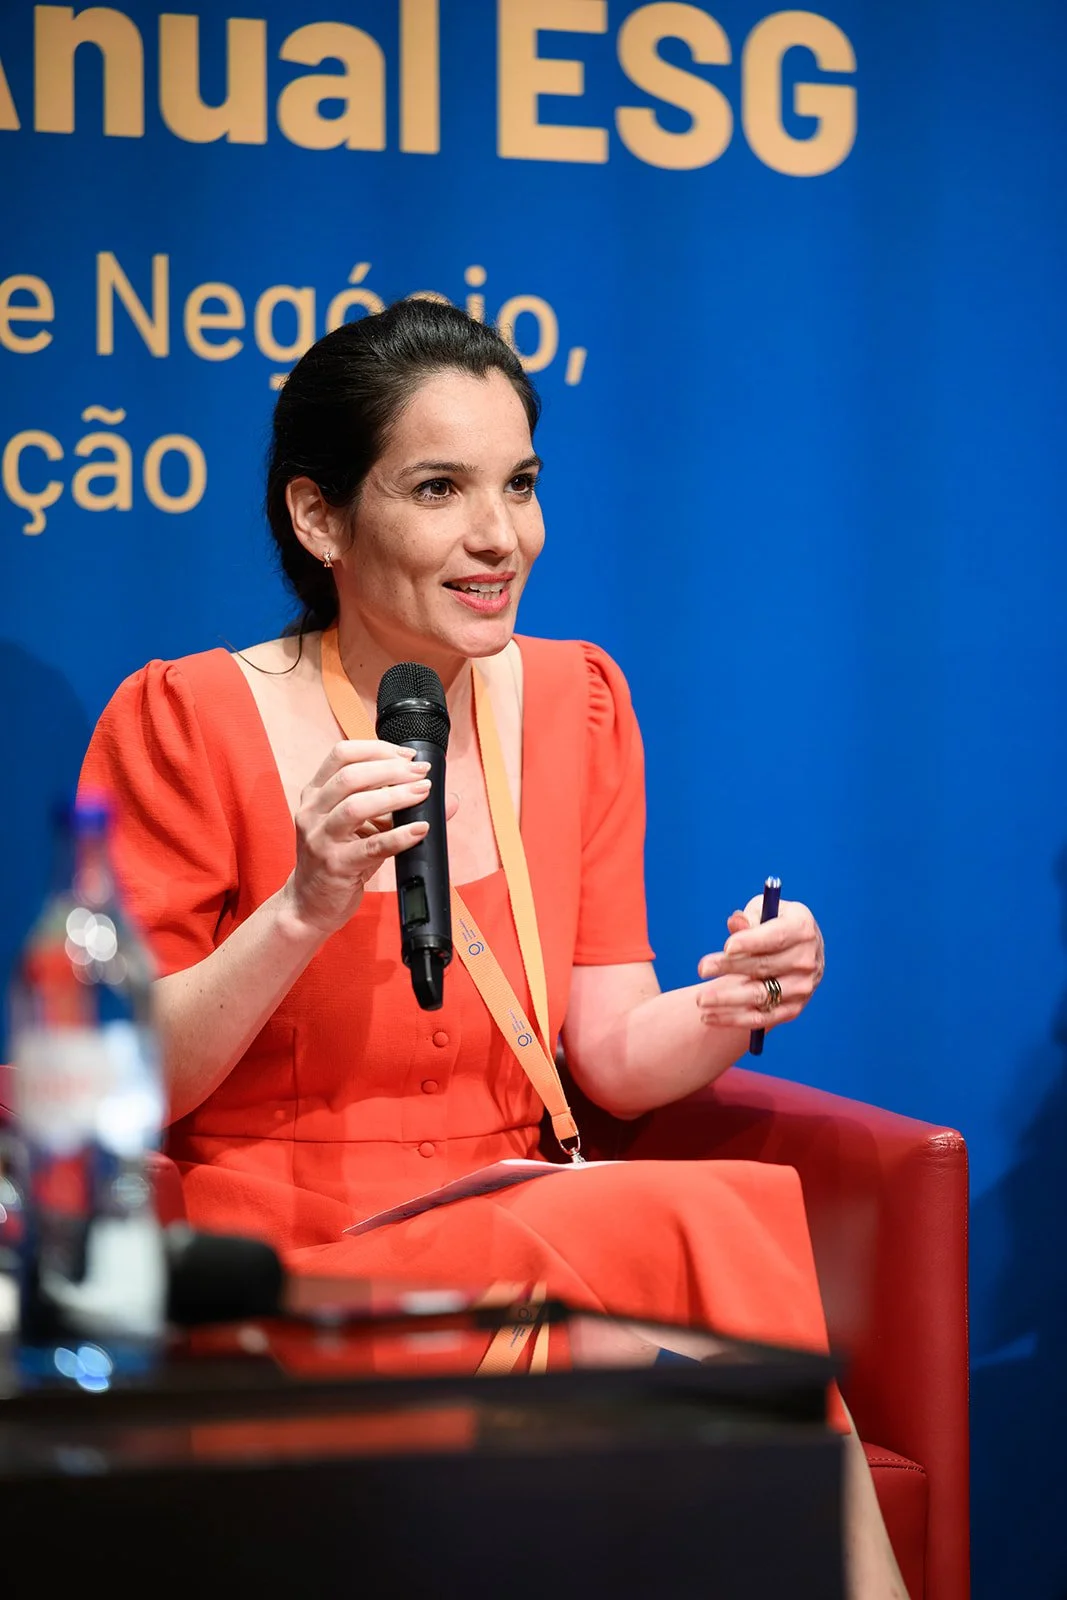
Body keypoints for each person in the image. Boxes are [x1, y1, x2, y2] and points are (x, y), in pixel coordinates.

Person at [80, 299, 905, 1597]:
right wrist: (301, 905)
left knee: (696, 1247)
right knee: (701, 1244)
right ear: (319, 519)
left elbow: (614, 1060)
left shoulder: (576, 700)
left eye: (519, 484)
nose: (498, 537)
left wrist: (736, 1001)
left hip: (527, 1216)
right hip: (297, 1255)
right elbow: (127, 1089)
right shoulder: (183, 718)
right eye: (439, 487)